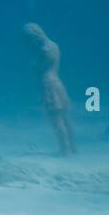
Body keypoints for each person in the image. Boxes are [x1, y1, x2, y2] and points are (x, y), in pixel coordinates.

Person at [23, 23, 76, 156]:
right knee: (65, 117)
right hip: (57, 82)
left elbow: (39, 69)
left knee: (56, 119)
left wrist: (34, 65)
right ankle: (72, 148)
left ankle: (65, 149)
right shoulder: (53, 45)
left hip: (48, 85)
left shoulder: (44, 50)